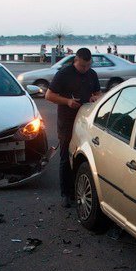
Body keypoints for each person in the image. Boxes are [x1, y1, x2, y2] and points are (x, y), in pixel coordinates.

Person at [45, 47, 102, 207]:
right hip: (67, 121)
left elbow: (99, 93)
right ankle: (66, 193)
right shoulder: (64, 73)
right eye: (83, 66)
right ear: (75, 61)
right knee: (65, 156)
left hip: (85, 120)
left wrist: (95, 97)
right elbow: (48, 95)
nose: (85, 69)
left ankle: (81, 189)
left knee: (84, 156)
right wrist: (67, 102)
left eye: (88, 65)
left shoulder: (92, 74)